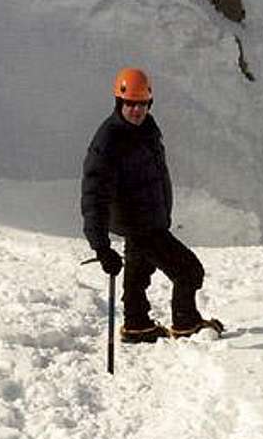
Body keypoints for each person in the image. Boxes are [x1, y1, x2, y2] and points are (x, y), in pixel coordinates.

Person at [81, 67, 223, 343]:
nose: (136, 110)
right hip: (140, 223)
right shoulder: (109, 140)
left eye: (142, 104)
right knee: (188, 270)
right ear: (119, 103)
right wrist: (100, 246)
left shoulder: (147, 128)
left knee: (138, 272)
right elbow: (94, 194)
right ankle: (186, 323)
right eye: (130, 104)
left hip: (149, 218)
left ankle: (137, 325)